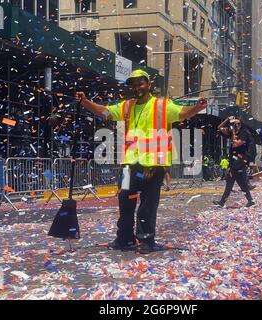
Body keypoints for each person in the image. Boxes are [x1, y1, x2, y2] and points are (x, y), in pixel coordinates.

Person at [76, 69, 207, 254]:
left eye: (140, 83)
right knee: (125, 201)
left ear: (148, 84)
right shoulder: (127, 106)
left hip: (153, 164)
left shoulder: (162, 105)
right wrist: (85, 102)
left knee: (147, 204)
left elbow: (183, 113)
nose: (137, 87)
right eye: (133, 84)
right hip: (129, 164)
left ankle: (146, 240)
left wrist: (197, 108)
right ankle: (125, 238)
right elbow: (105, 112)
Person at [214, 116, 255, 208]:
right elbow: (219, 128)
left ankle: (222, 202)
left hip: (240, 159)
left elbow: (236, 144)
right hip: (233, 160)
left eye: (238, 123)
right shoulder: (233, 131)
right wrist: (226, 120)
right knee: (236, 181)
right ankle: (250, 200)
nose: (236, 125)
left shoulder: (244, 132)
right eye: (235, 124)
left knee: (232, 179)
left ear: (241, 124)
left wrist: (232, 133)